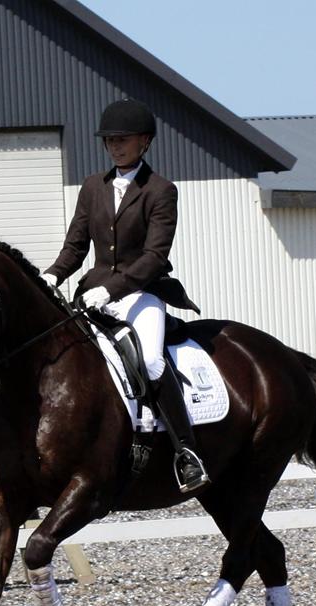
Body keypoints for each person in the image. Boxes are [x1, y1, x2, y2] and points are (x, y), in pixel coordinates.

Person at [43, 99, 210, 494]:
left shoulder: (160, 190)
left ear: (144, 142)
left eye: (123, 140)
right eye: (110, 141)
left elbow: (155, 257)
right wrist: (52, 274)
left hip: (142, 293)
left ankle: (187, 452)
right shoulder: (92, 188)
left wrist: (113, 288)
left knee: (150, 360)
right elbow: (76, 246)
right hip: (93, 291)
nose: (115, 147)